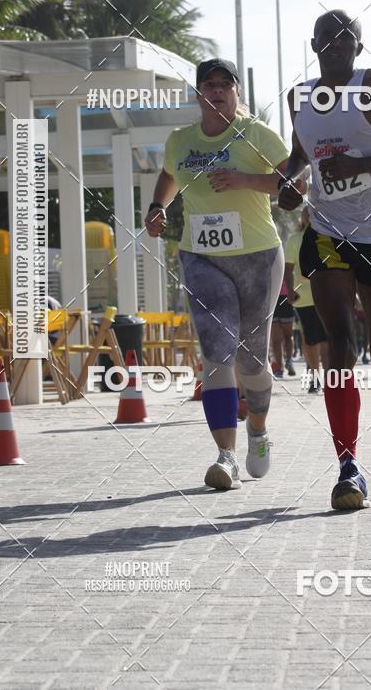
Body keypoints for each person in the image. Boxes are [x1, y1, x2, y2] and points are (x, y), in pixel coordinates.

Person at [278, 9, 371, 510]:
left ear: (359, 48)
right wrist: (289, 180)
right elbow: (302, 154)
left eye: (347, 37)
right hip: (326, 232)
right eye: (326, 36)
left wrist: (361, 165)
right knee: (339, 341)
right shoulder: (299, 97)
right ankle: (348, 466)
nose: (336, 43)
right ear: (315, 43)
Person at [145, 57, 299, 491]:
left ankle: (259, 431)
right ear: (198, 94)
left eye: (224, 85)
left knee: (251, 358)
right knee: (217, 352)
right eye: (208, 85)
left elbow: (295, 185)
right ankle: (225, 456)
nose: (216, 91)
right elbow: (168, 175)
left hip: (257, 256)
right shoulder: (180, 140)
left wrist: (245, 180)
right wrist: (159, 207)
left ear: (236, 93)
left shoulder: (256, 134)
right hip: (201, 256)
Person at [284, 206, 328, 393]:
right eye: (305, 213)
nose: (308, 216)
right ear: (302, 218)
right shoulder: (294, 240)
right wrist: (290, 290)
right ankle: (314, 378)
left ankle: (329, 378)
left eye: (312, 212)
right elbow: (288, 268)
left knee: (327, 338)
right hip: (304, 296)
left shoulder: (328, 237)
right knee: (310, 338)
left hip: (326, 295)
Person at [270, 277, 296, 377]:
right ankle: (279, 367)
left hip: (286, 298)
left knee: (288, 336)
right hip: (272, 299)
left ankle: (289, 361)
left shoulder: (288, 262)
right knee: (276, 339)